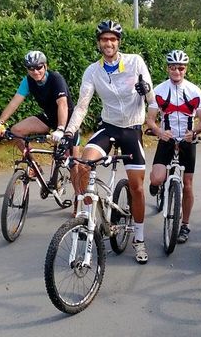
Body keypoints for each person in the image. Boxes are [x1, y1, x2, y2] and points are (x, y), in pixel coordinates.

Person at [61, 20, 155, 264]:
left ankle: (139, 238)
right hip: (109, 127)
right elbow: (82, 106)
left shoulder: (135, 62)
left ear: (118, 42)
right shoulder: (93, 71)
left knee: (136, 187)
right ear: (99, 43)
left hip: (132, 130)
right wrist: (69, 133)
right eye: (104, 39)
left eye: (113, 39)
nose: (109, 43)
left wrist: (146, 91)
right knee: (82, 164)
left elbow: (153, 101)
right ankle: (86, 218)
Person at [146, 50, 201, 244]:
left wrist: (195, 131)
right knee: (156, 178)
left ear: (185, 69)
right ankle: (157, 186)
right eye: (173, 67)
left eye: (180, 68)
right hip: (167, 139)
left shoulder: (195, 91)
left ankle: (185, 225)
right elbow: (150, 120)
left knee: (188, 185)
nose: (177, 71)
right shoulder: (159, 90)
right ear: (168, 69)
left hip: (188, 141)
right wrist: (159, 132)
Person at [0, 50, 80, 164]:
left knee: (74, 167)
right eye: (31, 68)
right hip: (49, 118)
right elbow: (15, 102)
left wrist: (61, 128)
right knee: (16, 131)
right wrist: (0, 122)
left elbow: (62, 104)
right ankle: (33, 165)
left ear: (45, 66)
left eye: (39, 67)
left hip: (68, 121)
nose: (35, 72)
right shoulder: (28, 81)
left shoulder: (56, 79)